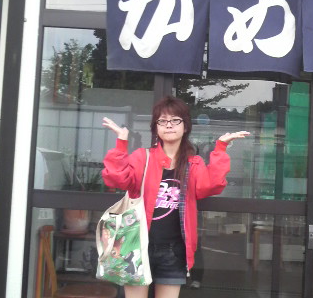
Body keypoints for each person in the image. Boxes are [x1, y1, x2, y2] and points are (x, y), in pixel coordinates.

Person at [102, 96, 249, 298]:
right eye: (162, 121)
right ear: (156, 128)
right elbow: (116, 179)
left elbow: (212, 185)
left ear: (185, 126)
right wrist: (121, 143)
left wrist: (221, 148)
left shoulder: (193, 163)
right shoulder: (142, 157)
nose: (169, 125)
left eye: (175, 120)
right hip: (136, 245)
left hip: (174, 250)